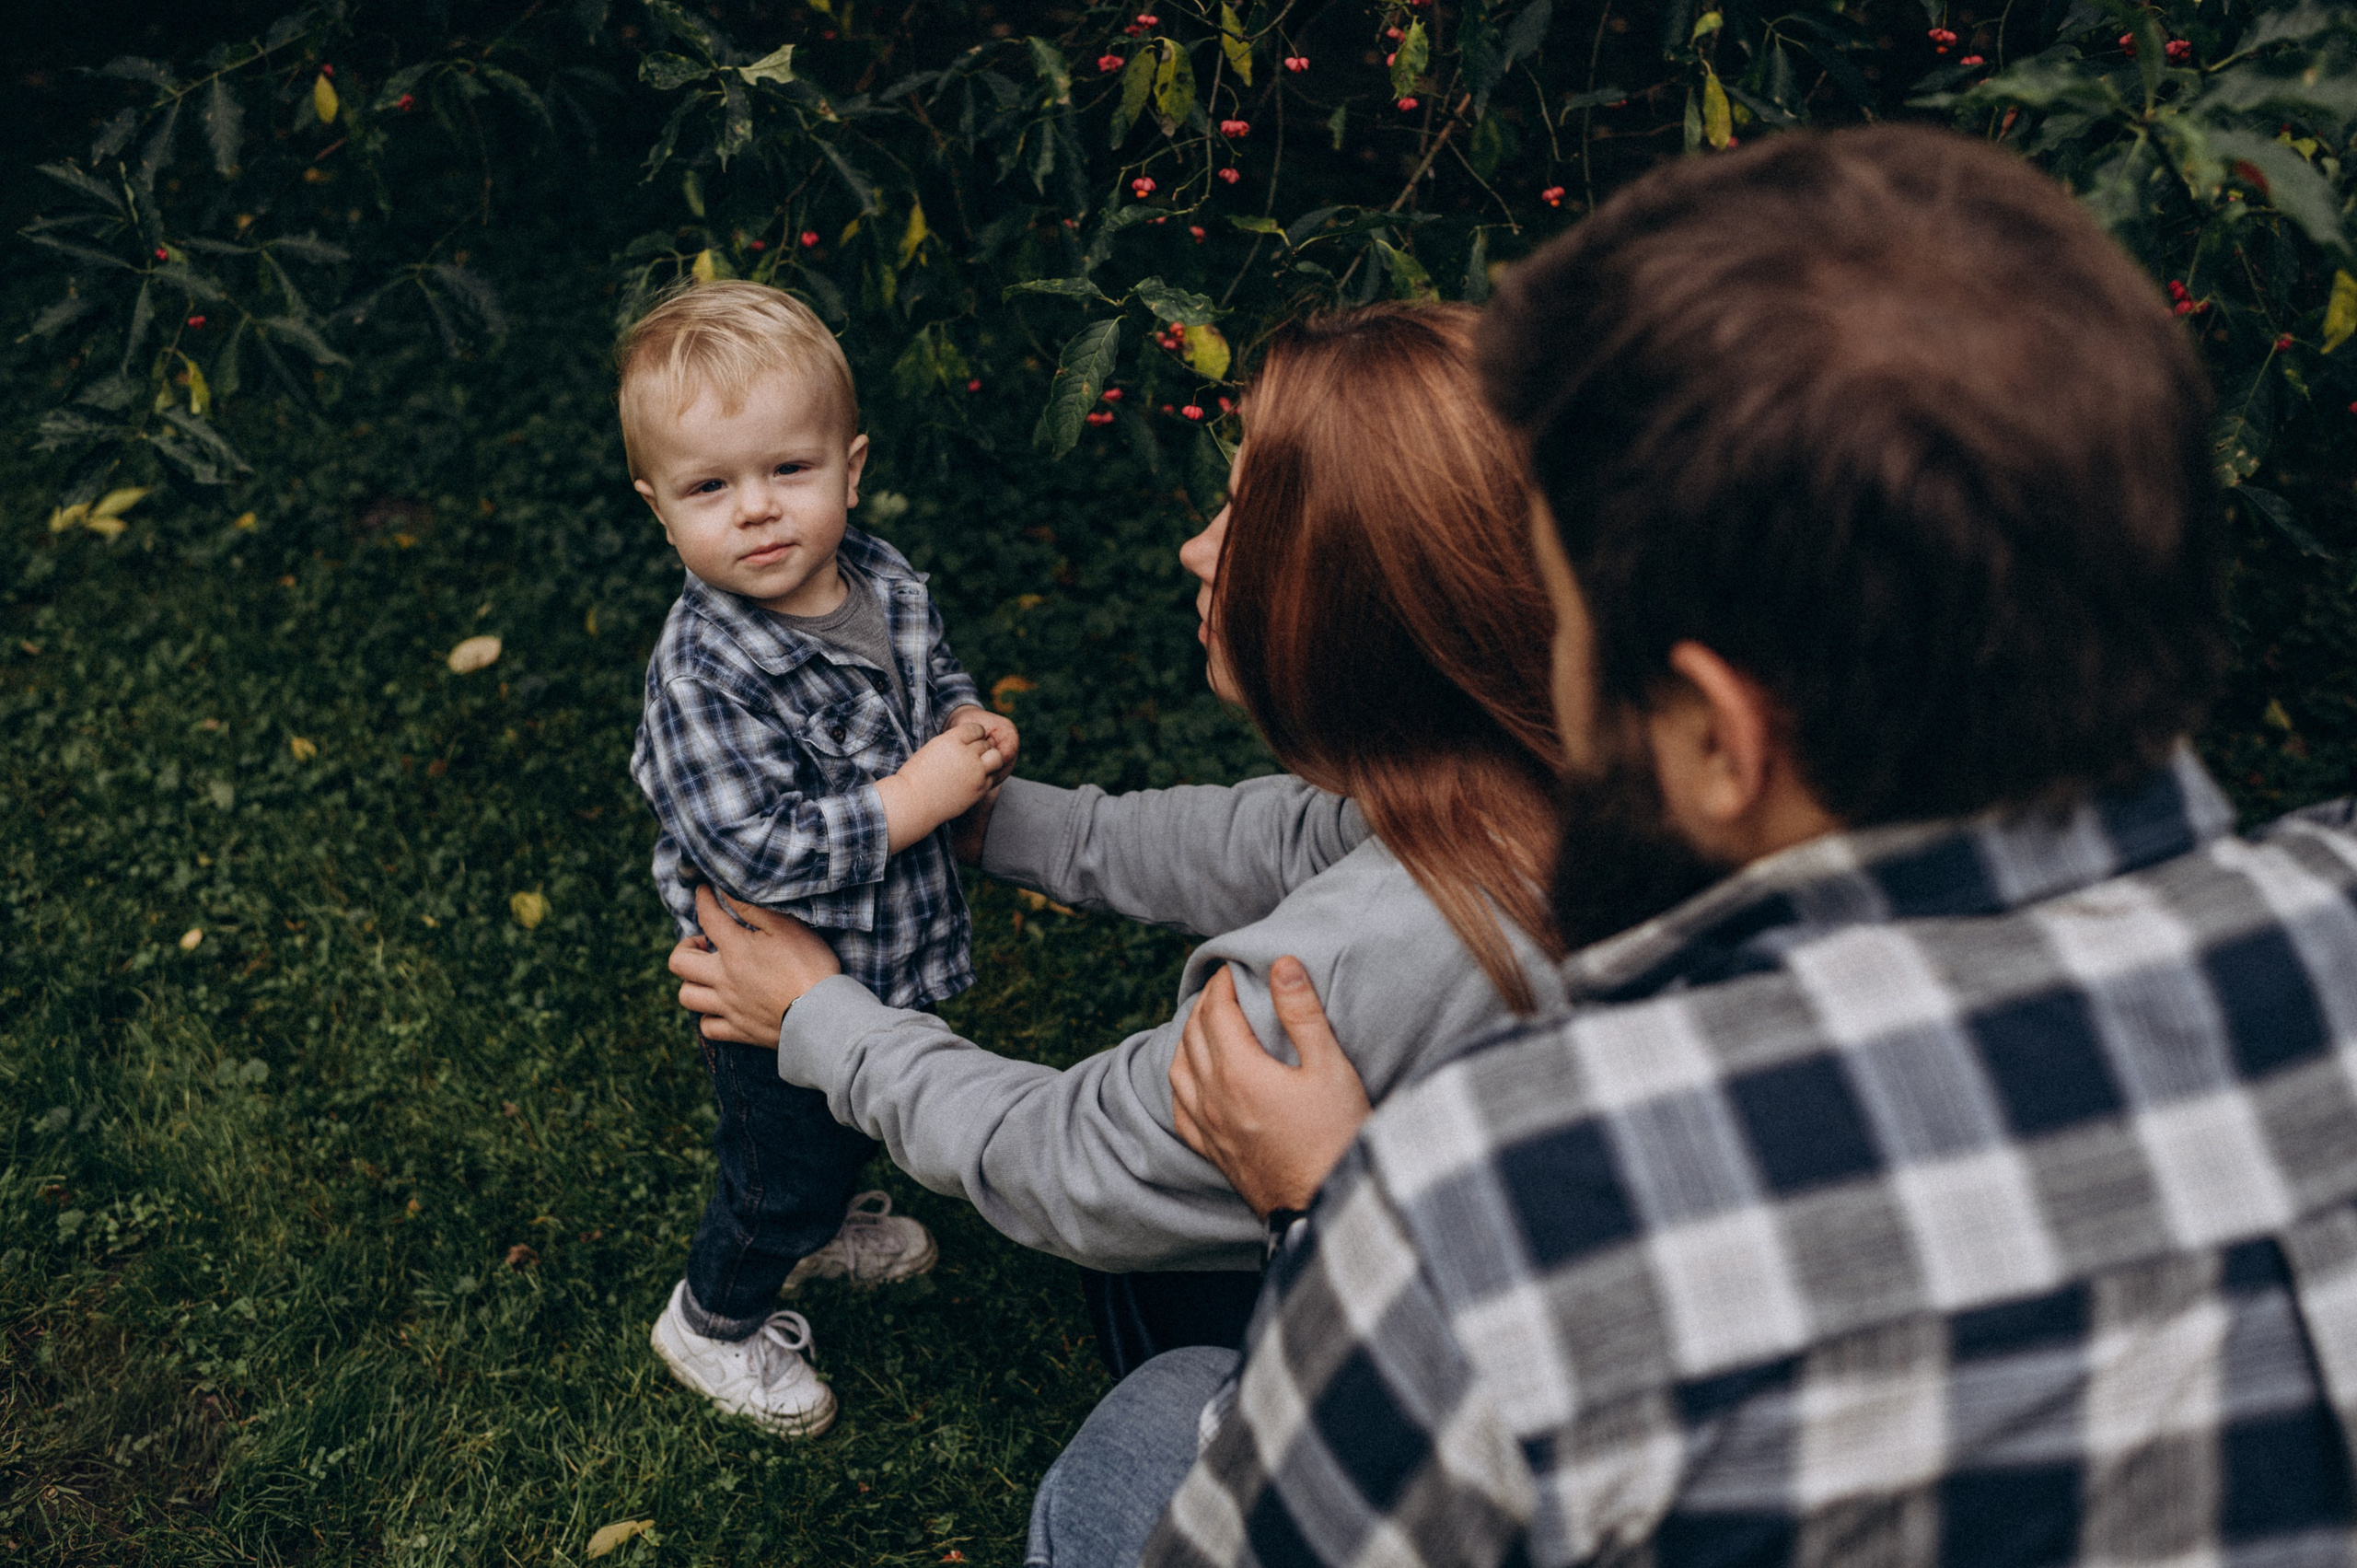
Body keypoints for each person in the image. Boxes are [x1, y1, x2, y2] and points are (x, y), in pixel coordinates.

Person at [1032, 123, 2357, 1568]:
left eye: (1563, 614)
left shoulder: (1492, 1216)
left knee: (1157, 1426)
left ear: (1723, 737)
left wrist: (1321, 1218)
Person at [666, 303, 1568, 1376]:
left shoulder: (1342, 974)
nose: (1194, 548)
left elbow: (1073, 1162)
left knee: (1150, 1381)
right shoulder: (1535, 774)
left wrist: (820, 1018)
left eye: (1240, 519)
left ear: (1357, 595)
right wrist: (985, 818)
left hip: (1447, 1356)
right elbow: (1270, 839)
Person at [621, 280, 1019, 1437]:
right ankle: (715, 1317)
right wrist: (911, 799)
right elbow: (751, 844)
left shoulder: (882, 581)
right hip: (769, 986)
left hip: (878, 960)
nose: (755, 510)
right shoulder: (704, 673)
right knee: (779, 1162)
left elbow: (928, 677)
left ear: (850, 467)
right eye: (710, 487)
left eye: (787, 470)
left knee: (853, 1116)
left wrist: (963, 723)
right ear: (661, 509)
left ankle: (826, 1229)